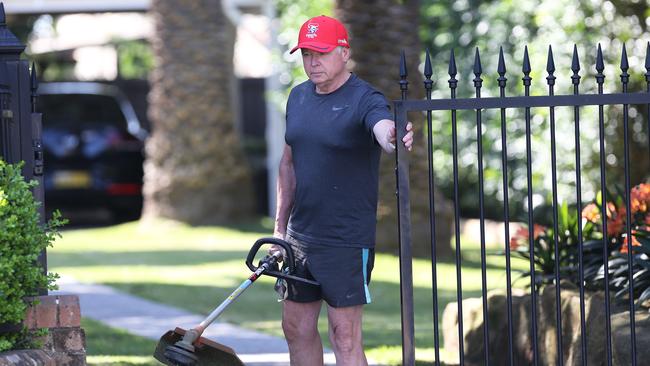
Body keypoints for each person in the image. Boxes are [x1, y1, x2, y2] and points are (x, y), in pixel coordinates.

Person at [272, 15, 413, 366]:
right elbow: (288, 163)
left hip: (346, 240)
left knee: (344, 336)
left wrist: (393, 135)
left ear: (343, 53)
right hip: (300, 237)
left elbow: (382, 127)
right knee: (295, 328)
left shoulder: (365, 98)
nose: (312, 62)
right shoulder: (298, 97)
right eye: (306, 54)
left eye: (321, 53)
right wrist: (279, 229)